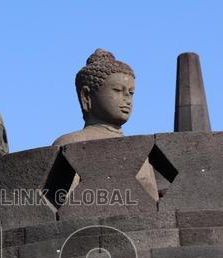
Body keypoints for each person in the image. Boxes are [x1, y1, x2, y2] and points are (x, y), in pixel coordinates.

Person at [51, 48, 157, 201]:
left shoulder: (141, 150)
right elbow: (62, 201)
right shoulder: (69, 143)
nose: (127, 98)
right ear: (86, 96)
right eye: (117, 90)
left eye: (131, 92)